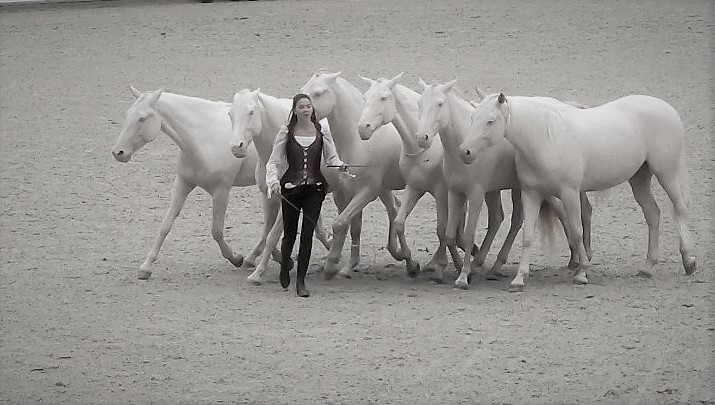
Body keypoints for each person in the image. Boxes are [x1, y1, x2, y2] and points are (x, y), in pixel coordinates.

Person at [265, 93, 347, 297]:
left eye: (308, 106)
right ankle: (285, 264)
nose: (305, 109)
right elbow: (273, 161)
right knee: (290, 234)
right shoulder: (286, 132)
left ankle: (301, 281)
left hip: (315, 189)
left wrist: (341, 166)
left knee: (308, 234)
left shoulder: (322, 130)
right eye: (301, 106)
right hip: (291, 188)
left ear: (312, 109)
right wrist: (273, 182)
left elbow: (331, 158)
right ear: (295, 110)